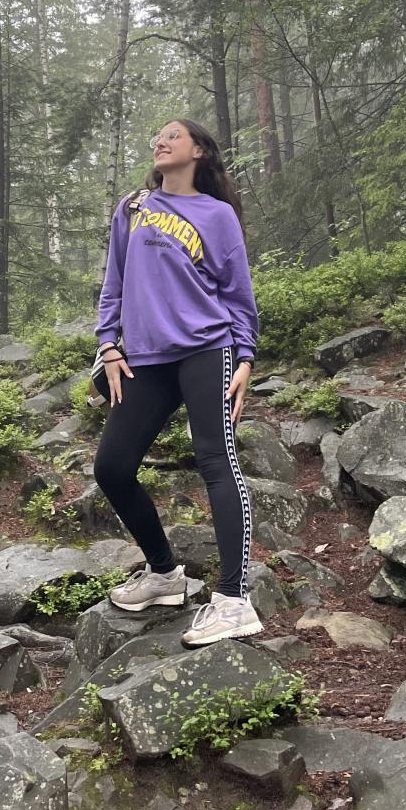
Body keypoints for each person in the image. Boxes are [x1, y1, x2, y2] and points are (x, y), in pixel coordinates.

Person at [93, 117, 262, 646]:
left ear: (199, 152)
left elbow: (238, 296)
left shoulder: (218, 216)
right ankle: (165, 574)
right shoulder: (134, 207)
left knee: (217, 461)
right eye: (157, 134)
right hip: (145, 357)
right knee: (113, 467)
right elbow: (113, 281)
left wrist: (245, 361)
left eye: (173, 135)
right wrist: (108, 343)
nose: (159, 140)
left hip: (208, 350)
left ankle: (234, 601)